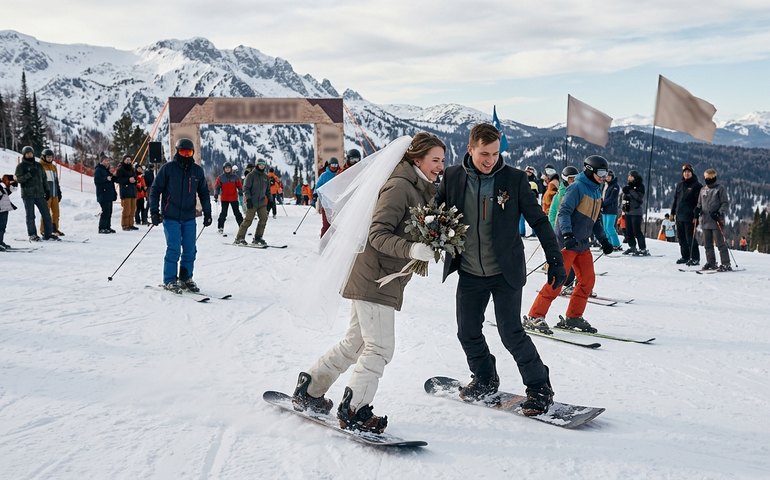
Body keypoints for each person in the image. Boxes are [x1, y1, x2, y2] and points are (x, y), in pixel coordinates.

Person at [291, 132, 445, 433]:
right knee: (380, 347)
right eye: (435, 160)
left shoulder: (420, 186)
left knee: (355, 343)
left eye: (442, 160)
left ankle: (310, 387)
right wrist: (412, 249)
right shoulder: (401, 185)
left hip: (381, 276)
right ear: (417, 159)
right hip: (375, 277)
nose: (440, 166)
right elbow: (378, 234)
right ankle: (355, 409)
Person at [435, 123, 565, 416]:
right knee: (467, 331)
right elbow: (435, 213)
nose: (490, 159)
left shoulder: (514, 180)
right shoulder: (453, 177)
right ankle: (484, 378)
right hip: (469, 270)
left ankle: (539, 388)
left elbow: (539, 221)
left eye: (494, 153)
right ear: (470, 149)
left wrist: (555, 259)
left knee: (511, 333)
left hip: (505, 271)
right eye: (484, 153)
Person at [526, 155, 615, 334]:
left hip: (582, 244)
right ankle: (535, 316)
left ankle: (573, 317)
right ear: (590, 171)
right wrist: (567, 234)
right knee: (557, 280)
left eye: (605, 173)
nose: (603, 177)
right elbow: (563, 212)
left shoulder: (597, 190)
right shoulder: (577, 188)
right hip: (567, 242)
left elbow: (595, 219)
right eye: (601, 173)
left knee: (587, 281)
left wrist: (604, 240)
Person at [149, 138, 212, 292]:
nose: (185, 155)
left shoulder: (197, 171)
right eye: (183, 151)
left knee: (190, 249)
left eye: (189, 152)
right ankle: (170, 279)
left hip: (189, 217)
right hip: (171, 216)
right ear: (177, 151)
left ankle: (185, 277)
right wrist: (154, 211)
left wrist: (208, 211)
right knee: (174, 248)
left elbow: (203, 192)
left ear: (192, 153)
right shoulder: (168, 169)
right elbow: (155, 190)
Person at [14, 146, 57, 241]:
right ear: (24, 154)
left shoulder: (38, 165)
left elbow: (44, 179)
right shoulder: (21, 166)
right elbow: (18, 180)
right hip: (27, 195)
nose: (30, 155)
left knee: (46, 214)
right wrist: (29, 174)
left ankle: (48, 235)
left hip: (40, 194)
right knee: (30, 216)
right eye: (27, 153)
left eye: (31, 153)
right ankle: (32, 234)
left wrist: (47, 190)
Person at [694, 168, 731, 271]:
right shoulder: (703, 190)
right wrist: (697, 209)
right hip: (705, 221)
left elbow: (725, 203)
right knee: (707, 245)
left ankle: (726, 263)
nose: (708, 179)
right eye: (706, 177)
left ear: (714, 178)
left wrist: (719, 212)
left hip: (716, 220)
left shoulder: (719, 189)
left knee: (720, 244)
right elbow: (699, 204)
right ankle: (711, 262)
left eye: (710, 177)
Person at [234, 158, 271, 246]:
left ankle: (258, 238)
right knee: (248, 220)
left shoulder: (265, 177)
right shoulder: (251, 175)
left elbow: (268, 190)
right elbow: (245, 188)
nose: (262, 166)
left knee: (263, 219)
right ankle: (239, 238)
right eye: (260, 164)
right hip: (252, 202)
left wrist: (271, 200)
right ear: (257, 165)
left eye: (263, 165)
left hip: (261, 202)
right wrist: (249, 199)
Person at [670, 164, 702, 266]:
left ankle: (695, 258)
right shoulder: (680, 185)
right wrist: (672, 212)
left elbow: (699, 203)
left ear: (692, 173)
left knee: (690, 238)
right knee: (681, 238)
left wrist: (696, 215)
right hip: (679, 216)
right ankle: (685, 256)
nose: (686, 173)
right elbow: (675, 200)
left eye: (688, 172)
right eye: (684, 172)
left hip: (690, 217)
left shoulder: (697, 185)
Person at [620, 170, 649, 256]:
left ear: (635, 177)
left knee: (637, 231)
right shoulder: (628, 186)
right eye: (628, 176)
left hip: (636, 212)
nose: (629, 177)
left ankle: (643, 248)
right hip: (628, 212)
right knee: (629, 231)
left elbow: (639, 198)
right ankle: (632, 246)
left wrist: (630, 190)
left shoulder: (640, 186)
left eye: (631, 176)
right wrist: (623, 207)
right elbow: (625, 198)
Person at [39, 148, 65, 236]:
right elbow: (39, 181)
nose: (50, 158)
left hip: (54, 194)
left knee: (56, 213)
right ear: (43, 157)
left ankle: (55, 229)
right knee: (45, 213)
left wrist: (59, 191)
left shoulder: (53, 167)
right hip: (46, 195)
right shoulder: (40, 166)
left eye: (51, 157)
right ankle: (43, 230)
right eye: (48, 157)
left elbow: (56, 181)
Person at [214, 162, 244, 234]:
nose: (227, 169)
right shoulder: (220, 177)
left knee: (237, 213)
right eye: (226, 168)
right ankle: (220, 227)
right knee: (223, 213)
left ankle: (242, 227)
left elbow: (239, 185)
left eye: (229, 168)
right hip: (225, 198)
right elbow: (217, 187)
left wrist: (240, 190)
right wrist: (216, 194)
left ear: (231, 169)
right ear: (224, 169)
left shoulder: (235, 177)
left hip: (233, 198)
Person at [316, 157, 340, 237]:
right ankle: (323, 244)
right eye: (332, 165)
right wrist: (316, 194)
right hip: (326, 205)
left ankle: (334, 244)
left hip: (336, 205)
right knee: (326, 226)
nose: (334, 166)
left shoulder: (340, 174)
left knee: (335, 227)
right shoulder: (324, 175)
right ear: (329, 165)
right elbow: (318, 186)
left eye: (336, 165)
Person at [94, 155, 118, 234]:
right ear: (102, 161)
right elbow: (97, 181)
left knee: (109, 211)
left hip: (109, 193)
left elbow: (111, 179)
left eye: (108, 161)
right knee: (105, 211)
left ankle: (107, 226)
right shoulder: (98, 169)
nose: (107, 162)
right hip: (103, 193)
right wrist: (105, 179)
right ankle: (102, 227)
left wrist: (113, 176)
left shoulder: (106, 170)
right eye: (106, 161)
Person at [115, 154, 138, 231]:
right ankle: (125, 225)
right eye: (127, 160)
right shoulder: (120, 169)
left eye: (129, 160)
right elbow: (118, 179)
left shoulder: (132, 169)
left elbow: (135, 177)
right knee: (126, 210)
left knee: (133, 209)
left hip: (133, 191)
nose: (128, 161)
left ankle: (131, 224)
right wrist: (128, 180)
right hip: (125, 192)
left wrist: (134, 180)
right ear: (124, 160)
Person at [601, 170, 622, 250]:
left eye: (609, 176)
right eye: (607, 176)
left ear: (612, 177)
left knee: (610, 227)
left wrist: (602, 203)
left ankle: (616, 244)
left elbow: (612, 199)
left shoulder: (615, 186)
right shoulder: (606, 185)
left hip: (611, 210)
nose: (608, 178)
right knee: (605, 228)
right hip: (605, 209)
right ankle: (609, 244)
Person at [0, 174, 19, 250]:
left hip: (4, 208)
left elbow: (6, 193)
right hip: (1, 208)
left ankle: (0, 242)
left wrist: (12, 185)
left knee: (2, 227)